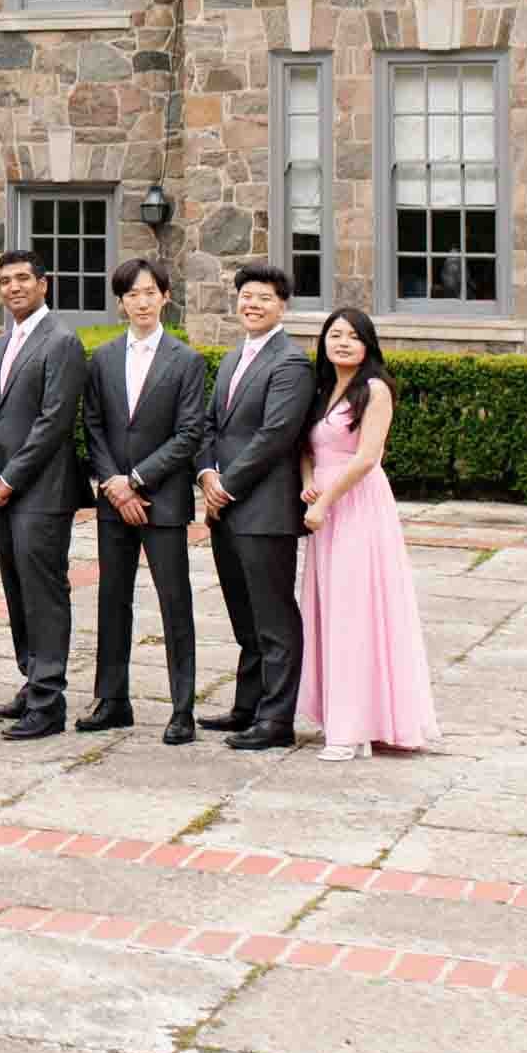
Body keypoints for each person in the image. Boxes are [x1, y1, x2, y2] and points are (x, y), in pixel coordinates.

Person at [298, 306, 440, 761]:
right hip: (323, 508)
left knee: (355, 612)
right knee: (328, 610)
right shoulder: (321, 389)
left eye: (353, 336)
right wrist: (308, 484)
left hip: (356, 505)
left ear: (367, 345)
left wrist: (325, 500)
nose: (342, 343)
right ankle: (341, 716)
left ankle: (353, 729)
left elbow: (366, 458)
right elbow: (307, 449)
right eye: (335, 334)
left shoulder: (375, 389)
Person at [79, 257, 208, 745]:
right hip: (113, 501)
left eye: (150, 292)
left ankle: (182, 708)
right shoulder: (103, 358)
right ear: (121, 303)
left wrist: (137, 480)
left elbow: (189, 433)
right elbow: (93, 424)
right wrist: (114, 484)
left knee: (175, 602)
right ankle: (112, 700)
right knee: (112, 600)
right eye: (132, 294)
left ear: (165, 297)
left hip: (163, 501)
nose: (142, 302)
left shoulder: (186, 360)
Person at [197, 261, 317, 752]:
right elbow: (209, 425)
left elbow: (275, 436)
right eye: (246, 295)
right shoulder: (232, 358)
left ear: (282, 306)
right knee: (243, 616)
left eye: (264, 297)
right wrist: (206, 474)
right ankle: (247, 705)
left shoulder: (291, 363)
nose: (253, 304)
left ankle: (276, 719)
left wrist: (226, 485)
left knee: (273, 618)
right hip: (225, 509)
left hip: (265, 511)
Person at [0, 249, 90, 739]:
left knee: (43, 593)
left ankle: (49, 701)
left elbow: (54, 421)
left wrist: (10, 479)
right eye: (6, 280)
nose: (14, 287)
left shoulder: (62, 341)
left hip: (43, 491)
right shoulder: (2, 343)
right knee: (16, 588)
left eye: (23, 278)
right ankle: (32, 680)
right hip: (5, 489)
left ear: (44, 284)